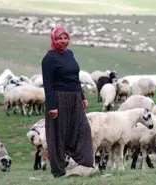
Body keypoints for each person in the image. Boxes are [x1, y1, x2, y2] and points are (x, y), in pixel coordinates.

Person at [41, 26, 95, 178]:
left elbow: (74, 78)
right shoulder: (49, 58)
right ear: (53, 39)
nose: (63, 41)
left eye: (65, 38)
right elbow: (48, 84)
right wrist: (52, 106)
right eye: (60, 38)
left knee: (83, 130)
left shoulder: (70, 54)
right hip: (58, 99)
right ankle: (58, 171)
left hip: (75, 98)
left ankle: (85, 165)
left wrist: (82, 96)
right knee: (58, 135)